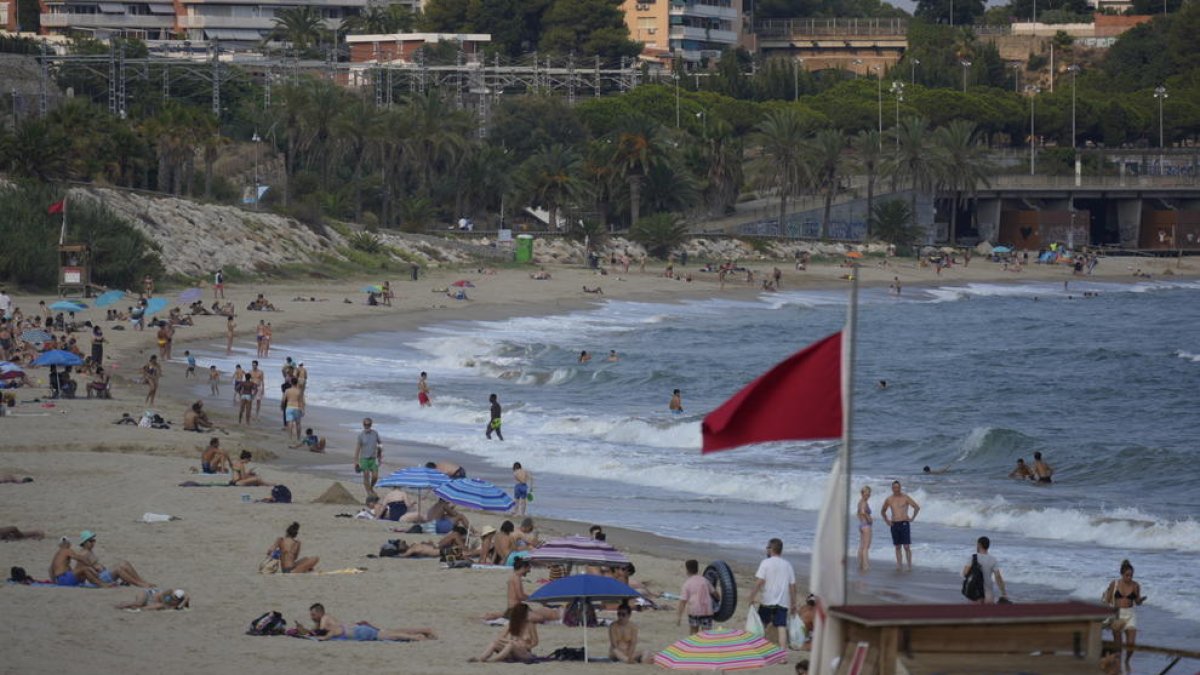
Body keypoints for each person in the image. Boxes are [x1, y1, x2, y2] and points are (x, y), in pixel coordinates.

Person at [747, 538, 796, 648]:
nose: (766, 549)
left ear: (771, 549)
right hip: (782, 601)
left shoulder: (765, 563)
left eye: (767, 547)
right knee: (781, 627)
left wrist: (751, 596)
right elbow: (792, 586)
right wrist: (793, 603)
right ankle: (782, 655)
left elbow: (759, 582)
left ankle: (759, 649)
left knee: (762, 625)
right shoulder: (787, 565)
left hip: (767, 600)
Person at [298, 603, 436, 641]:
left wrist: (306, 632)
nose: (312, 617)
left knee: (390, 635)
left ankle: (417, 637)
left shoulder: (325, 618)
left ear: (320, 612)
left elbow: (320, 632)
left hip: (359, 630)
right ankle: (425, 630)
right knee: (390, 631)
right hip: (358, 628)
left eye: (313, 614)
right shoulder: (323, 620)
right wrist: (303, 630)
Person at [1102, 559, 1146, 669]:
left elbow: (1137, 602)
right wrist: (1109, 615)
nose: (1129, 578)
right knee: (1118, 646)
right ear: (1122, 574)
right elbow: (1107, 600)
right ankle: (1119, 667)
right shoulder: (1115, 584)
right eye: (1127, 575)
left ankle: (1127, 661)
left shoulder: (1135, 585)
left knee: (1131, 644)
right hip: (1117, 614)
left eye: (1131, 575)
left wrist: (1140, 600)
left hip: (1130, 615)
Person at [78, 531, 153, 587]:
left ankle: (142, 581)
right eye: (91, 541)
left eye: (94, 540)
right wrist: (100, 582)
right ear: (84, 543)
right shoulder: (83, 554)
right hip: (99, 578)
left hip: (103, 575)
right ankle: (139, 584)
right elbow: (85, 572)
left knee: (124, 563)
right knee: (118, 569)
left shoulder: (89, 551)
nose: (93, 543)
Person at [471, 603, 539, 663]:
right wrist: (512, 641)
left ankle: (493, 660)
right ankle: (481, 658)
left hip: (525, 653)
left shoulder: (530, 625)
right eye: (527, 612)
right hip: (512, 651)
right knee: (495, 643)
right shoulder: (512, 624)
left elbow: (535, 642)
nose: (529, 614)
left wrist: (525, 646)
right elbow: (500, 638)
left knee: (511, 645)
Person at [881, 480, 920, 570]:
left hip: (904, 523)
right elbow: (883, 511)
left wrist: (912, 518)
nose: (896, 489)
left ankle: (909, 566)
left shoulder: (905, 497)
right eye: (894, 487)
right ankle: (899, 565)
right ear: (892, 488)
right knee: (897, 546)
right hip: (894, 524)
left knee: (906, 546)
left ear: (900, 488)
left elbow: (916, 507)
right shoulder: (889, 499)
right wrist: (887, 520)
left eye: (898, 487)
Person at [676, 559, 717, 635]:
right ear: (698, 569)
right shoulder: (705, 580)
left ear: (687, 570)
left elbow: (682, 602)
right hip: (706, 611)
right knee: (707, 634)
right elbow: (715, 594)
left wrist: (679, 617)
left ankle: (694, 646)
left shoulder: (687, 584)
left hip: (694, 611)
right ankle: (706, 646)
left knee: (694, 633)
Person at [963, 536, 1007, 604]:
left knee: (974, 613)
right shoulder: (993, 559)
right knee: (987, 614)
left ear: (979, 545)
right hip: (988, 592)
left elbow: (965, 573)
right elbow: (998, 577)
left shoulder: (973, 557)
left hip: (975, 591)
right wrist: (1003, 592)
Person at [398, 525, 467, 559]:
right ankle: (467, 549)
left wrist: (428, 543)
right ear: (401, 549)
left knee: (455, 535)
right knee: (454, 534)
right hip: (441, 551)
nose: (403, 541)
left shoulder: (414, 546)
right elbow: (403, 556)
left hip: (441, 549)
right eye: (401, 543)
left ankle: (466, 547)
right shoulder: (412, 549)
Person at [353, 417, 382, 497]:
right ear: (363, 425)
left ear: (371, 425)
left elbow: (380, 444)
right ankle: (369, 493)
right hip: (364, 459)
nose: (367, 426)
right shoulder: (361, 435)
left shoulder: (375, 433)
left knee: (375, 476)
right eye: (365, 424)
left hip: (373, 458)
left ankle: (371, 488)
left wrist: (380, 455)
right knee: (366, 475)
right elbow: (357, 449)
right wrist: (356, 462)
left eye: (368, 424)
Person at [116, 588, 190, 611]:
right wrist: (166, 604)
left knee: (139, 607)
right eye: (173, 596)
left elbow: (184, 607)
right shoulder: (169, 591)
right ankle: (122, 605)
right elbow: (160, 598)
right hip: (147, 594)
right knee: (139, 603)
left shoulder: (179, 601)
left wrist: (186, 600)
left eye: (176, 599)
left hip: (152, 602)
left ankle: (129, 605)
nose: (173, 598)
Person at [857, 485, 873, 572]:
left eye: (869, 494)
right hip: (866, 525)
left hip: (861, 525)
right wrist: (869, 518)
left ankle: (860, 564)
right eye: (866, 494)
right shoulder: (864, 502)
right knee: (866, 547)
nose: (868, 496)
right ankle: (865, 565)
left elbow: (858, 513)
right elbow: (863, 512)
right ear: (862, 494)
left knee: (862, 546)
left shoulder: (860, 502)